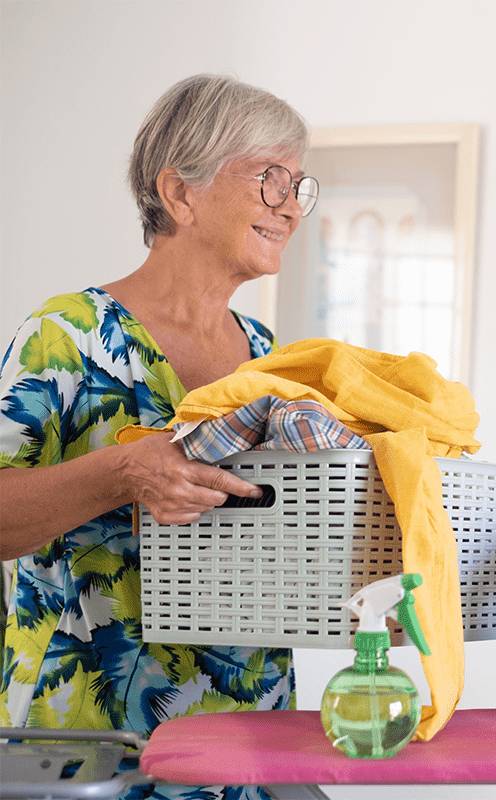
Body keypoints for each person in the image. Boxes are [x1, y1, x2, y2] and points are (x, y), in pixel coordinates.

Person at [0, 75, 318, 798]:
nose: (292, 208)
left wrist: (365, 591)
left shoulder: (272, 356)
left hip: (249, 740)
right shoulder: (68, 335)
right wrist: (120, 473)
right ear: (180, 193)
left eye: (300, 186)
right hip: (88, 744)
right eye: (271, 180)